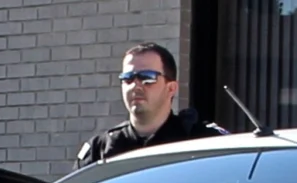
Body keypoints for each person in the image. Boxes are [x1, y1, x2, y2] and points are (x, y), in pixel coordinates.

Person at [76, 42, 227, 170]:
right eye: (128, 79)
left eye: (147, 78)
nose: (136, 86)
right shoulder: (100, 150)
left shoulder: (202, 142)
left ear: (171, 88)